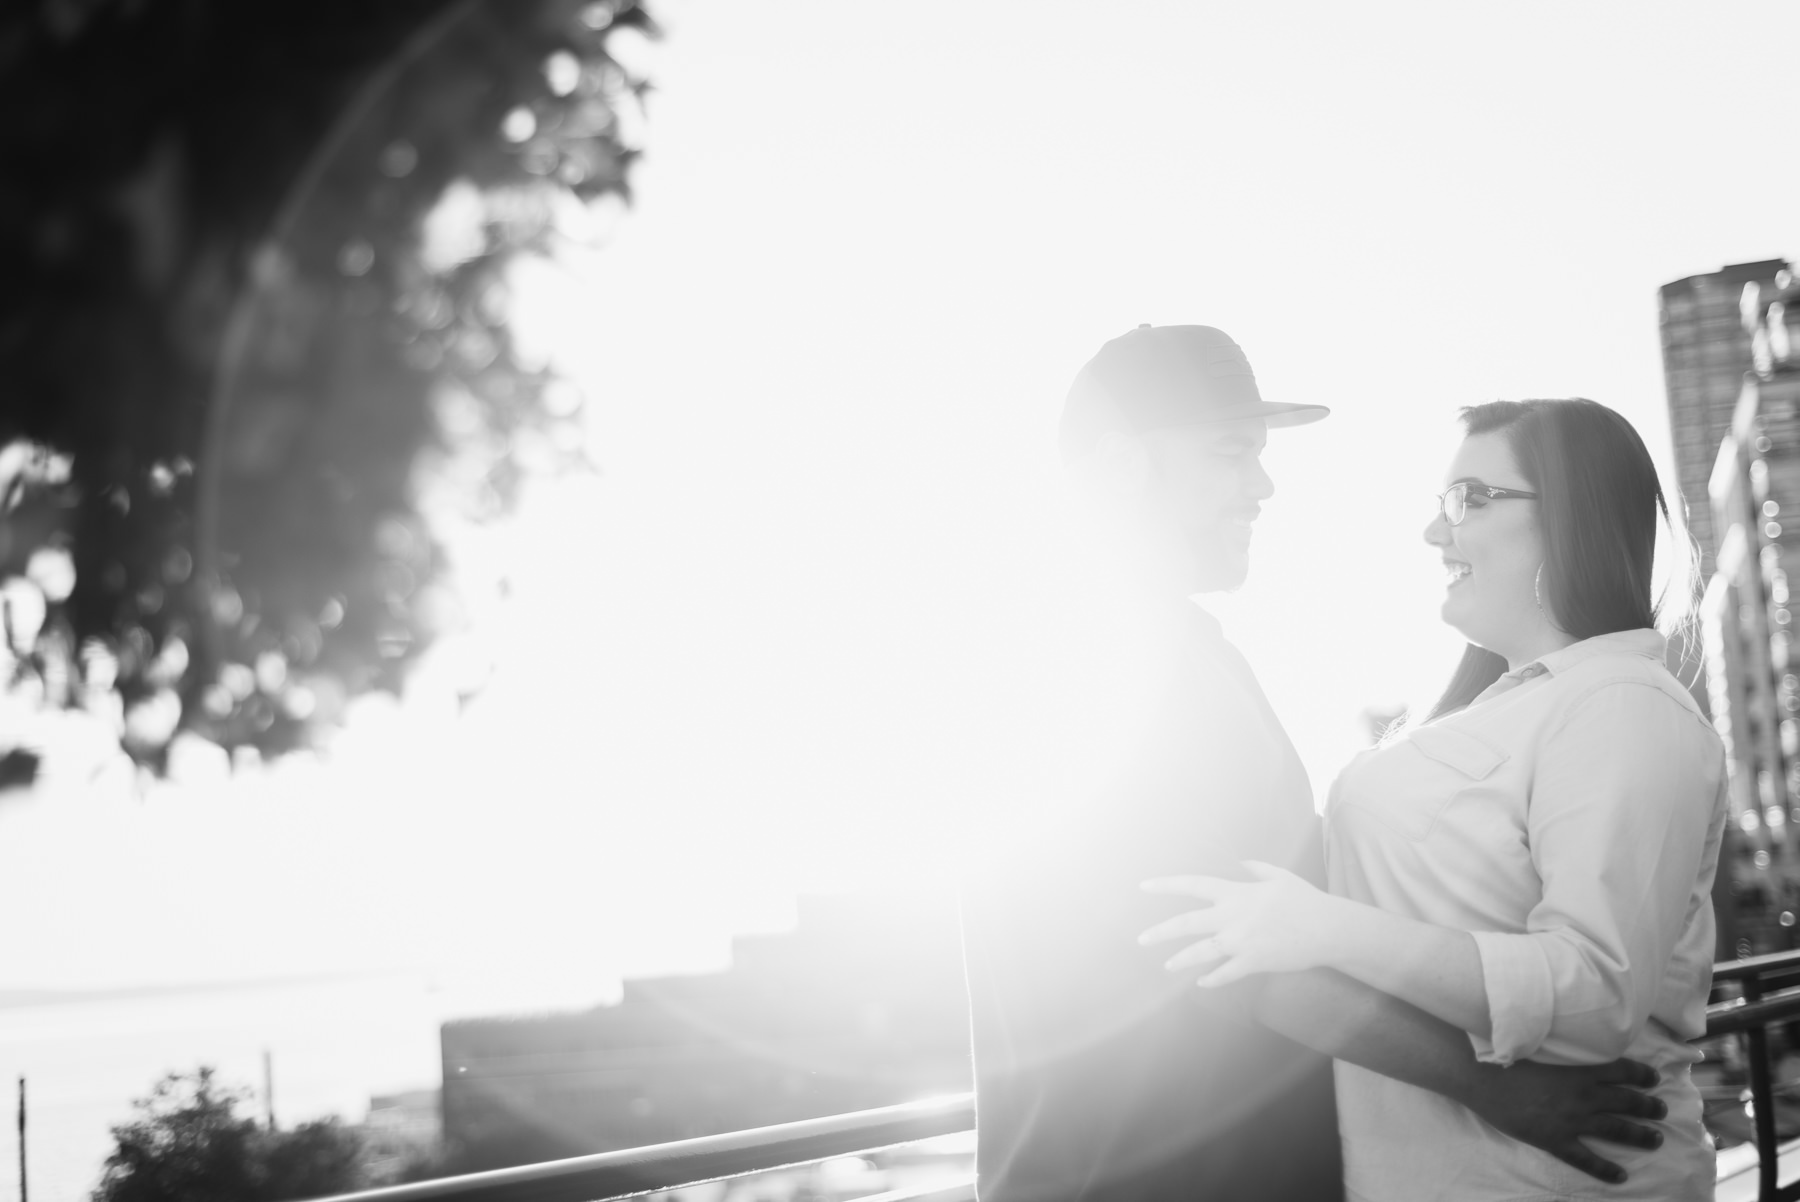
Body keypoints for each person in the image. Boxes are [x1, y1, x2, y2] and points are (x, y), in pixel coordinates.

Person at [959, 330, 1670, 1202]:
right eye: (1231, 454)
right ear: (1120, 465)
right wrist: (1500, 1090)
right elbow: (1233, 955)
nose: (1261, 485)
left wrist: (1519, 633)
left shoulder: (1179, 652)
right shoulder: (1110, 664)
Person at [1139, 397, 1726, 1200]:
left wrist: (1321, 930)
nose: (1434, 532)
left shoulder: (1621, 702)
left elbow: (1594, 994)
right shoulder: (1504, 708)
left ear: (1573, 517)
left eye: (1470, 498)